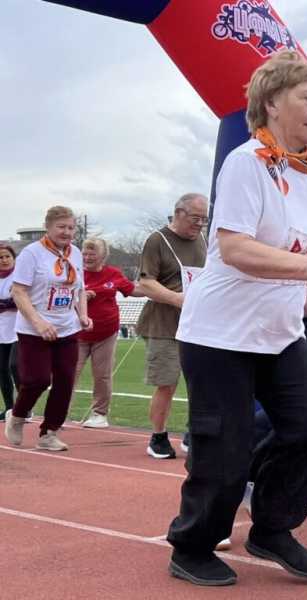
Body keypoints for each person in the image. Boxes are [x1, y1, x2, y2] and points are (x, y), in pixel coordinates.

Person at [166, 50, 307, 587]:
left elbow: (300, 249)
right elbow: (237, 249)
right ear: (271, 102)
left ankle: (271, 527)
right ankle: (192, 545)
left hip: (279, 331)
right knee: (226, 449)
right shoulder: (246, 162)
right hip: (221, 333)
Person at [4, 206, 92, 451]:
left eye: (71, 228)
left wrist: (83, 315)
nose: (67, 232)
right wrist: (39, 322)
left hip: (67, 327)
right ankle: (17, 416)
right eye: (61, 227)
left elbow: (79, 289)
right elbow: (18, 292)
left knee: (65, 381)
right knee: (38, 379)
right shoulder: (32, 254)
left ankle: (49, 432)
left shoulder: (75, 253)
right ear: (48, 227)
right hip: (35, 329)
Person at [137, 193, 208, 458]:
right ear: (179, 213)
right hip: (164, 324)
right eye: (195, 218)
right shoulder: (157, 240)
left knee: (202, 383)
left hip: (198, 325)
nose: (199, 224)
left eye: (204, 219)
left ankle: (194, 432)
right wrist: (177, 299)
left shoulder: (203, 239)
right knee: (167, 382)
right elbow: (146, 283)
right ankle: (158, 436)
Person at [75, 237, 142, 428]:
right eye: (85, 254)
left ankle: (99, 414)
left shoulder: (113, 274)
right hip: (78, 333)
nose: (87, 257)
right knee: (69, 373)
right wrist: (81, 298)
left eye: (92, 254)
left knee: (102, 375)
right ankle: (59, 412)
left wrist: (155, 291)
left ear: (103, 256)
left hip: (106, 332)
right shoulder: (75, 274)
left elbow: (133, 290)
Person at [0, 244, 19, 420]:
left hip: (19, 329)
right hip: (1, 330)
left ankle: (24, 407)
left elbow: (21, 299)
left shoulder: (19, 276)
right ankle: (9, 409)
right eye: (1, 257)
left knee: (15, 365)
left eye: (8, 256)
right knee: (2, 369)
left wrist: (6, 304)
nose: (4, 260)